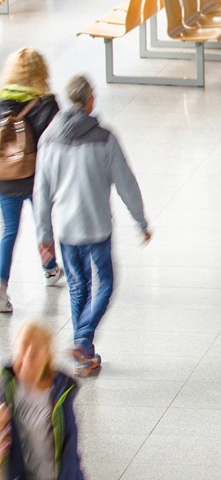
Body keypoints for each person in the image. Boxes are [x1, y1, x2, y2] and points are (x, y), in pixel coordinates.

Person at [32, 75, 151, 378]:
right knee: (106, 283)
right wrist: (141, 222)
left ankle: (82, 354)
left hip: (66, 228)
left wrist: (44, 234)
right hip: (97, 226)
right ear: (90, 101)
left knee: (77, 286)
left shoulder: (48, 139)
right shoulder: (105, 138)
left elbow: (41, 191)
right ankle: (83, 341)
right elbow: (126, 183)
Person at [0, 49, 63, 314]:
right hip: (37, 178)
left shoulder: (1, 101)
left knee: (9, 231)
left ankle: (1, 289)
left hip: (6, 177)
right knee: (43, 223)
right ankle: (49, 268)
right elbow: (56, 145)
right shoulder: (47, 103)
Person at [0, 320, 83, 479]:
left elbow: (70, 452)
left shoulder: (61, 393)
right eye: (24, 346)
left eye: (37, 347)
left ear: (47, 355)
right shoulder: (5, 392)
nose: (29, 353)